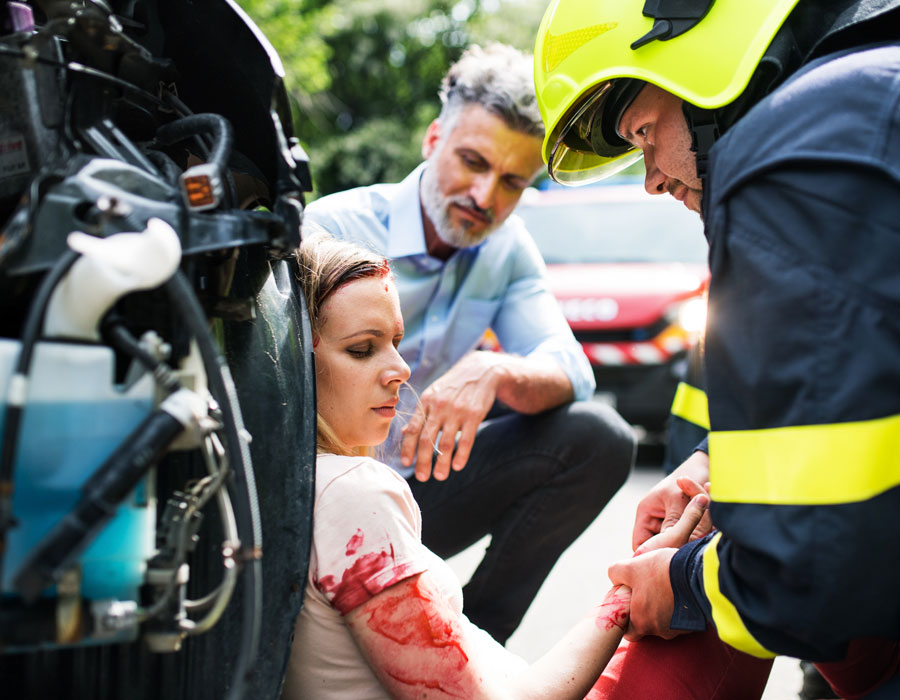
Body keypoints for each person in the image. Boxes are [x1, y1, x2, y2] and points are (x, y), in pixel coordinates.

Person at [533, 0, 900, 697]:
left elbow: (808, 578)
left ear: (700, 50)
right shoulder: (873, 100)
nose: (651, 178)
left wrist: (683, 587)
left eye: (643, 132)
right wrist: (716, 463)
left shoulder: (800, 153)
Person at [282, 231, 770, 699]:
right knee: (744, 573)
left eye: (395, 341)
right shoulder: (354, 494)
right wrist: (634, 587)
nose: (401, 370)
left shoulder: (284, 481)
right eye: (362, 349)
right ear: (293, 364)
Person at [303, 42, 635, 645]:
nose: (485, 197)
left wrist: (493, 371)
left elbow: (572, 372)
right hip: (318, 496)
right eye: (472, 162)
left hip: (419, 486)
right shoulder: (333, 227)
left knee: (599, 437)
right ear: (433, 141)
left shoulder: (507, 250)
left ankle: (473, 654)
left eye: (512, 181)